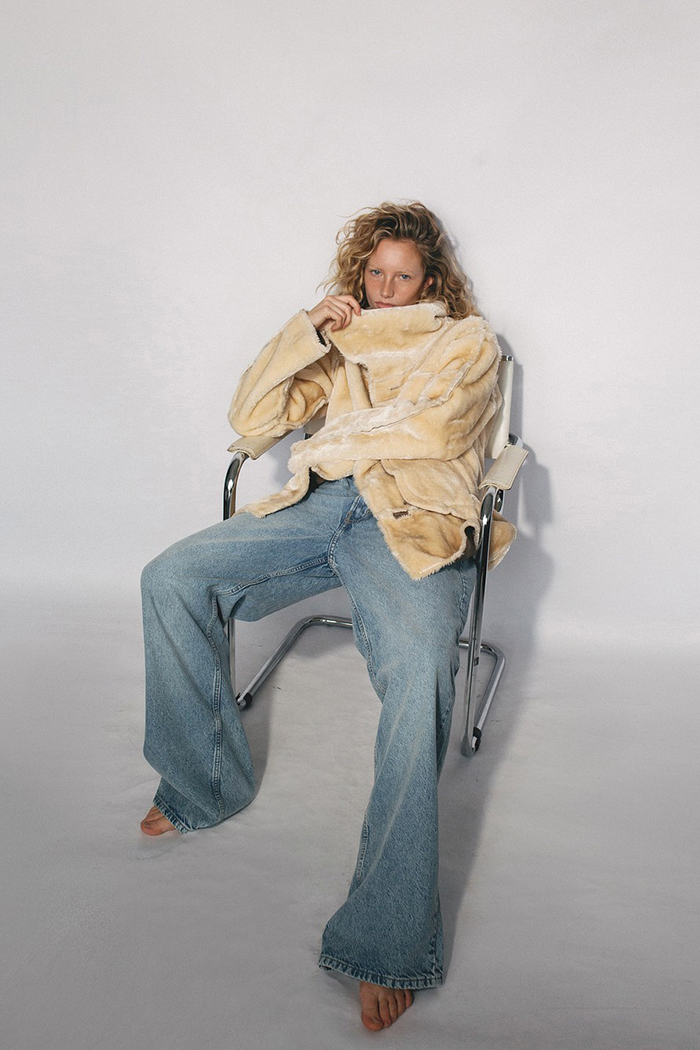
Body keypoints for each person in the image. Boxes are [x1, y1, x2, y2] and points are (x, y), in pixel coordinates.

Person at [139, 201, 515, 1031]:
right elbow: (250, 420)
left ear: (431, 280)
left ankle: (388, 940)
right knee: (171, 578)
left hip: (411, 521)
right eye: (374, 272)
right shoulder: (341, 340)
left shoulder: (467, 340)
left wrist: (324, 444)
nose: (385, 288)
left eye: (402, 276)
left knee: (421, 670)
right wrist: (305, 331)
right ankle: (202, 782)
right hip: (321, 509)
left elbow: (433, 431)